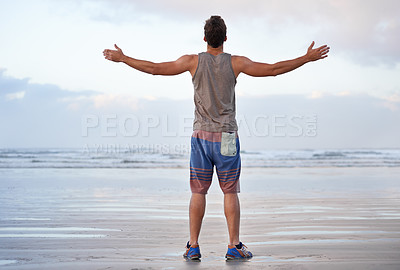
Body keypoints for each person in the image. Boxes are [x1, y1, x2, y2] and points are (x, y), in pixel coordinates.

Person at [103, 15, 329, 261]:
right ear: (225, 38)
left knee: (198, 192)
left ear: (204, 39)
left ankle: (194, 246)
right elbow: (274, 70)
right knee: (230, 192)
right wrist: (307, 58)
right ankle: (233, 246)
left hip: (201, 136)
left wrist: (123, 59)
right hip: (227, 137)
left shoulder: (192, 61)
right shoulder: (236, 63)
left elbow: (156, 69)